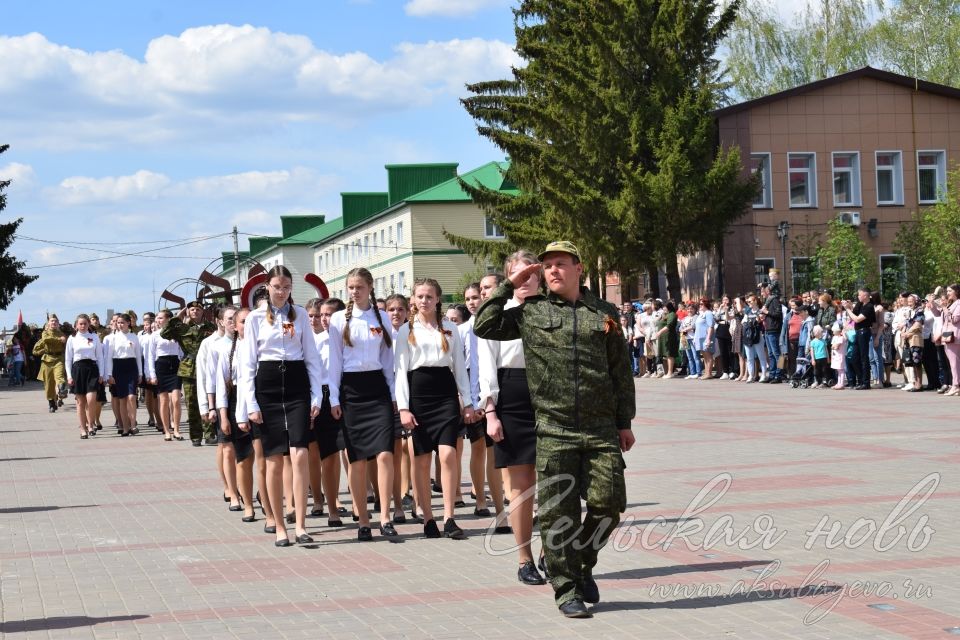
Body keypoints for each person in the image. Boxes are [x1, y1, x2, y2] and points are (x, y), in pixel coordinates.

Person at [474, 241, 635, 619]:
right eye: (547, 266)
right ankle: (566, 590)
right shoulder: (531, 311)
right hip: (554, 428)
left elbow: (620, 372)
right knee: (557, 512)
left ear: (579, 268)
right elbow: (484, 324)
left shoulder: (604, 313)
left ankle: (579, 563)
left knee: (609, 503)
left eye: (561, 264)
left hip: (599, 428)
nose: (553, 271)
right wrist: (509, 284)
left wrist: (624, 422)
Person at [239, 266, 323, 547]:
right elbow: (248, 363)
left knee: (299, 454)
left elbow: (312, 357)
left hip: (297, 383)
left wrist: (316, 396)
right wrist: (250, 403)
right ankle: (279, 525)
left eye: (286, 286)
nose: (282, 291)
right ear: (267, 287)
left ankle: (300, 524)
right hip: (268, 385)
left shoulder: (298, 314)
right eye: (277, 286)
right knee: (274, 458)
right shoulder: (254, 318)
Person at [479, 250, 544, 585]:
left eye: (529, 274)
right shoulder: (498, 313)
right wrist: (490, 411)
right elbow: (486, 364)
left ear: (539, 275)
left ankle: (552, 550)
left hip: (549, 395)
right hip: (512, 395)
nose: (524, 281)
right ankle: (524, 558)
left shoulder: (552, 308)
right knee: (521, 487)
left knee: (554, 481)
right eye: (516, 275)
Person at [395, 277, 475, 541]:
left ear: (438, 299)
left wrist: (467, 401)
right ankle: (428, 517)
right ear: (414, 300)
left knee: (448, 454)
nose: (425, 301)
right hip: (419, 394)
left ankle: (449, 517)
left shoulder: (451, 328)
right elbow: (400, 373)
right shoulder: (405, 330)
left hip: (445, 394)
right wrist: (404, 408)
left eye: (430, 296)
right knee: (421, 459)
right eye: (420, 296)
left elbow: (460, 367)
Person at [326, 268, 398, 541]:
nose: (355, 292)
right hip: (351, 391)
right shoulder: (337, 320)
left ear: (370, 287)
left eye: (359, 287)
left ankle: (385, 516)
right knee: (356, 460)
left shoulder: (381, 318)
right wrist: (333, 397)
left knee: (384, 454)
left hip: (377, 389)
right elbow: (334, 363)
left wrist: (393, 396)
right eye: (350, 288)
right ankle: (363, 521)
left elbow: (389, 361)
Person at [306, 297, 348, 525]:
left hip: (341, 395)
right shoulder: (309, 340)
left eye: (328, 314)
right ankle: (318, 499)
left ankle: (333, 505)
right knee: (315, 453)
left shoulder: (343, 338)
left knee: (332, 455)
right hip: (317, 397)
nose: (323, 319)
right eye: (319, 314)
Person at [161, 301, 217, 446]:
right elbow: (164, 333)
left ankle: (210, 434)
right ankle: (196, 436)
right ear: (188, 312)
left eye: (198, 309)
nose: (195, 312)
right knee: (192, 403)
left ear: (202, 311)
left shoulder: (211, 327)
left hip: (207, 367)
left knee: (209, 401)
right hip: (189, 368)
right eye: (192, 309)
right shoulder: (182, 328)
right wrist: (177, 317)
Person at [145, 309, 185, 441]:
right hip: (161, 366)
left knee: (176, 400)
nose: (158, 320)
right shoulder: (154, 335)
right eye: (157, 318)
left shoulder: (176, 333)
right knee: (163, 401)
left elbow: (181, 351)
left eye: (161, 318)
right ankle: (166, 430)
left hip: (174, 365)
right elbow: (150, 356)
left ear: (168, 319)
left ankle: (177, 430)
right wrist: (152, 374)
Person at [65, 314, 105, 439]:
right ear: (76, 325)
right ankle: (83, 428)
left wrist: (101, 373)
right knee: (81, 402)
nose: (82, 326)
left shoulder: (94, 337)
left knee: (91, 399)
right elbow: (68, 359)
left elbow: (100, 357)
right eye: (80, 324)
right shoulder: (72, 339)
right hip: (78, 370)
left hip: (92, 369)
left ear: (89, 324)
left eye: (85, 323)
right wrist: (69, 376)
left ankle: (91, 425)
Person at [103, 313, 142, 436]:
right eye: (118, 323)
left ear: (128, 323)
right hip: (118, 367)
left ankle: (133, 424)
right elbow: (109, 357)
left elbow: (138, 357)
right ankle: (125, 427)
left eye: (122, 322)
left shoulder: (134, 337)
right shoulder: (113, 338)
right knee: (122, 399)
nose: (120, 325)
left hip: (131, 367)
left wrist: (140, 373)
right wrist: (109, 374)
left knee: (131, 397)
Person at [841, 288, 876, 390]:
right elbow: (854, 313)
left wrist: (847, 309)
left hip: (864, 331)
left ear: (865, 295)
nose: (858, 296)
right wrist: (849, 306)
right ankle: (860, 380)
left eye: (859, 295)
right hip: (857, 332)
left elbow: (857, 319)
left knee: (864, 357)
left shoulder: (869, 307)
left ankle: (866, 382)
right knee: (854, 357)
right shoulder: (860, 304)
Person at [33, 315, 68, 412]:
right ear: (48, 323)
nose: (54, 322)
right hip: (47, 360)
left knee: (59, 376)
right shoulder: (45, 333)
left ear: (58, 323)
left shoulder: (62, 333)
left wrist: (64, 340)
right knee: (49, 384)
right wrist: (58, 340)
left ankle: (62, 391)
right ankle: (51, 402)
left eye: (56, 321)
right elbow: (46, 340)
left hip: (59, 359)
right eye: (52, 321)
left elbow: (67, 344)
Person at [932, 284, 960, 396]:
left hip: (955, 337)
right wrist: (933, 304)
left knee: (954, 363)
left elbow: (954, 319)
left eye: (949, 291)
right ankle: (956, 385)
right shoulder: (951, 303)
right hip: (948, 336)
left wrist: (944, 308)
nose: (947, 293)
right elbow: (937, 314)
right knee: (953, 363)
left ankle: (955, 386)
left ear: (956, 291)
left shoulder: (958, 304)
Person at [138, 312, 160, 429]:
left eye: (150, 324)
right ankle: (151, 417)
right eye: (145, 324)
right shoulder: (141, 336)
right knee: (149, 394)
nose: (147, 326)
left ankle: (159, 418)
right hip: (145, 366)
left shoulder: (157, 335)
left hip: (158, 366)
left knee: (158, 395)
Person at [653, 300, 678, 378]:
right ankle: (666, 372)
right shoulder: (665, 315)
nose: (664, 310)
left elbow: (669, 325)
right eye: (663, 309)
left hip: (669, 337)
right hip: (663, 338)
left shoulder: (672, 314)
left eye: (665, 309)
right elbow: (657, 322)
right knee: (664, 355)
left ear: (669, 308)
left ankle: (670, 372)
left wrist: (659, 332)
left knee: (669, 354)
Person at [830, 323, 847, 390]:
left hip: (840, 356)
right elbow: (832, 346)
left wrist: (834, 346)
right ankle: (838, 383)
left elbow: (836, 346)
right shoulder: (834, 337)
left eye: (834, 331)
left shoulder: (841, 338)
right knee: (838, 370)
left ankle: (841, 383)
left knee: (841, 370)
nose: (833, 332)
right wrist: (834, 346)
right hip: (835, 356)